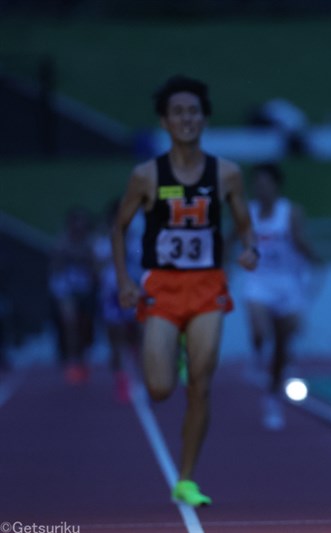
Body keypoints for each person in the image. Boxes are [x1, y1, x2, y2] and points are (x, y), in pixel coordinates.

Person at [111, 75, 258, 507]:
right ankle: (169, 352)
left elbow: (245, 225)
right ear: (165, 121)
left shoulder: (227, 173)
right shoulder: (145, 176)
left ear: (204, 118)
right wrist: (123, 280)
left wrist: (249, 249)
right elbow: (118, 229)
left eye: (193, 111)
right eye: (178, 112)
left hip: (208, 285)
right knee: (158, 389)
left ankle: (186, 477)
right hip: (162, 287)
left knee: (201, 381)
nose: (187, 119)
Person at [239, 163, 319, 430]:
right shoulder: (248, 213)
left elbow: (299, 241)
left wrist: (315, 260)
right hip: (259, 281)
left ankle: (272, 398)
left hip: (287, 283)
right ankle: (257, 349)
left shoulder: (290, 212)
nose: (261, 189)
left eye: (266, 183)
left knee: (283, 347)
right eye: (256, 184)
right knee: (262, 331)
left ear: (275, 186)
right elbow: (232, 238)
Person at [94, 198, 144, 403]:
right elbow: (96, 270)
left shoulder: (137, 240)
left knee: (138, 338)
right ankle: (122, 379)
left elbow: (143, 265)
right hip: (112, 296)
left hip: (134, 293)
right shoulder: (102, 242)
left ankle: (140, 378)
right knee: (117, 339)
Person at [49, 206, 98, 384]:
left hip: (85, 289)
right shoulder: (61, 243)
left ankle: (83, 355)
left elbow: (95, 267)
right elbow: (55, 267)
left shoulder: (90, 243)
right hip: (66, 289)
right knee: (70, 323)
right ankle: (72, 361)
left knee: (85, 324)